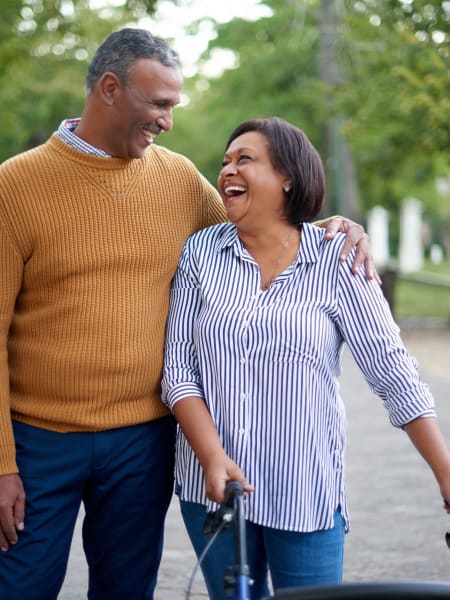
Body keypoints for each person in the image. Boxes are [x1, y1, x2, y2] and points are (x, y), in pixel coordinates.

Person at [0, 28, 374, 600]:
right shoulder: (15, 185)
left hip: (142, 442)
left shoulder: (175, 179)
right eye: (159, 104)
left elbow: (253, 225)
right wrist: (1, 462)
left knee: (128, 590)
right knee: (21, 586)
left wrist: (332, 229)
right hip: (37, 441)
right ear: (108, 89)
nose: (167, 121)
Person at [161, 116, 450, 600]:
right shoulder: (200, 253)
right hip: (211, 487)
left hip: (304, 490)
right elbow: (178, 372)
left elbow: (393, 373)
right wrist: (212, 458)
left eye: (245, 160)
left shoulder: (339, 259)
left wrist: (444, 473)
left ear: (288, 177)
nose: (228, 170)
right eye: (226, 161)